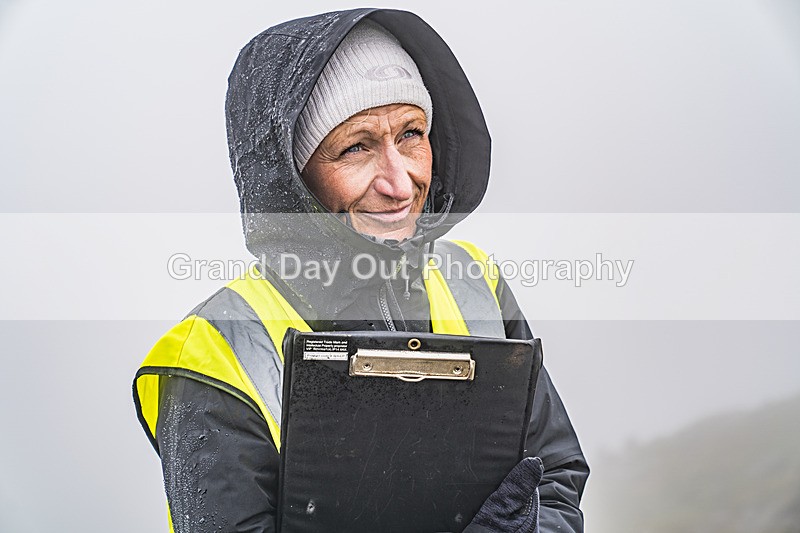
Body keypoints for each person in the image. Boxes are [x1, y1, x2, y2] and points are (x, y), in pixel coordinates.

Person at [133, 8, 588, 532]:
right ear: (292, 181)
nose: (400, 182)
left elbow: (555, 474)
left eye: (412, 134)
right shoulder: (213, 350)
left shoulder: (477, 281)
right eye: (357, 147)